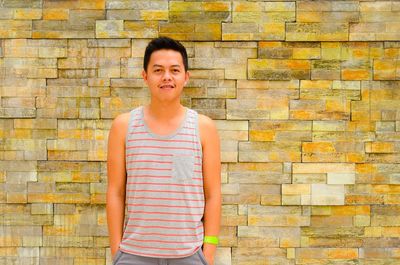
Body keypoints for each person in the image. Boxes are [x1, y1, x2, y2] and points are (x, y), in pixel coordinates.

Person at [106, 36, 221, 265]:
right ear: (145, 76)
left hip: (189, 256)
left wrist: (208, 252)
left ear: (185, 77)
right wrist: (116, 250)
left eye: (174, 70)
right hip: (133, 255)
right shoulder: (123, 126)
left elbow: (213, 195)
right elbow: (116, 192)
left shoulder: (203, 127)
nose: (166, 77)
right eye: (158, 70)